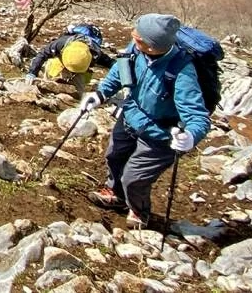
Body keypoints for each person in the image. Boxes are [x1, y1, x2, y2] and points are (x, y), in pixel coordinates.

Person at [80, 14, 211, 226]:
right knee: (114, 156)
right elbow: (120, 70)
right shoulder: (137, 47)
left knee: (134, 178)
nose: (133, 36)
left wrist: (190, 136)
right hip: (131, 115)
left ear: (153, 46)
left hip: (160, 134)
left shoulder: (182, 71)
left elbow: (197, 116)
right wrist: (101, 94)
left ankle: (139, 211)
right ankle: (115, 194)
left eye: (139, 37)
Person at [26, 28, 113, 94]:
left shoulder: (95, 53)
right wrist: (32, 72)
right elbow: (42, 54)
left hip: (81, 69)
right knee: (53, 69)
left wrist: (123, 68)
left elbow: (110, 62)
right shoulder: (60, 44)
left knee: (80, 90)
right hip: (60, 62)